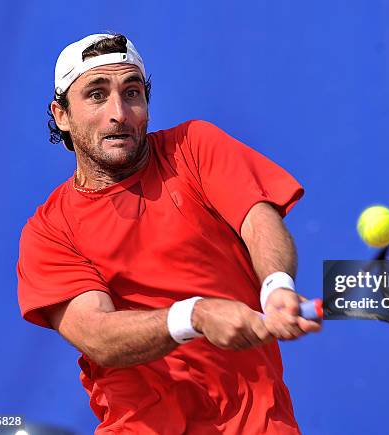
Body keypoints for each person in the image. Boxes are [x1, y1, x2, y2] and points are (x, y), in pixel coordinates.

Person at [16, 33, 321, 434]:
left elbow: (257, 219)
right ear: (61, 115)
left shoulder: (194, 146)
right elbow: (97, 334)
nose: (119, 113)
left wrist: (276, 286)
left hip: (258, 423)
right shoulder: (49, 231)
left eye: (132, 93)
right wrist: (194, 316)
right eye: (96, 95)